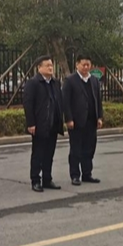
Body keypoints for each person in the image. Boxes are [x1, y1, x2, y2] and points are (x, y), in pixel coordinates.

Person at [23, 55, 64, 192]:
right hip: (40, 124)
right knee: (38, 154)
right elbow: (28, 104)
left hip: (53, 123)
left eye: (51, 65)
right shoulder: (33, 83)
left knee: (49, 154)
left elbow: (59, 101)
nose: (50, 68)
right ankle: (35, 180)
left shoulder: (55, 83)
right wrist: (31, 123)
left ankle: (47, 179)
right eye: (47, 65)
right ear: (39, 68)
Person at [62, 55, 104, 186]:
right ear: (77, 65)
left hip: (91, 121)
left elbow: (98, 100)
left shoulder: (94, 81)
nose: (86, 67)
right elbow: (65, 102)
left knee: (89, 148)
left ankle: (87, 174)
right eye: (83, 64)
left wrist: (99, 117)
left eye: (88, 65)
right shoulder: (70, 80)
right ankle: (75, 175)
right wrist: (68, 119)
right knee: (76, 149)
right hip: (76, 121)